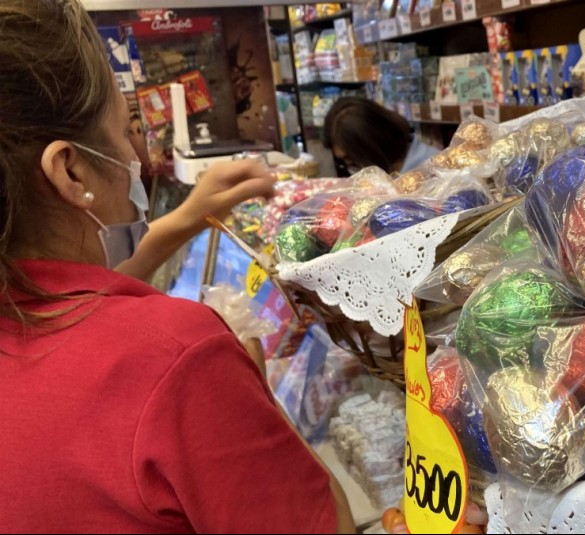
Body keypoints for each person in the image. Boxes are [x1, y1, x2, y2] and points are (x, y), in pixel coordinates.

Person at [0, 1, 355, 533]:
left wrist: (190, 216)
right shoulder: (177, 358)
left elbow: (71, 289)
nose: (138, 160)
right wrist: (249, 388)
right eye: (125, 133)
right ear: (69, 171)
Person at [323, 97, 440, 176]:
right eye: (344, 162)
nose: (352, 169)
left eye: (350, 159)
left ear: (373, 144)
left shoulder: (435, 169)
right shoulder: (382, 174)